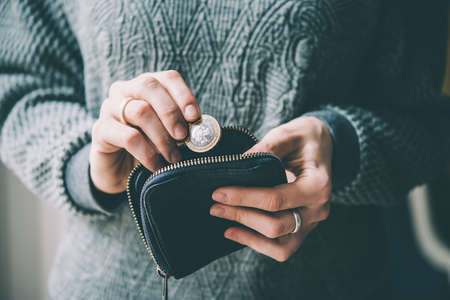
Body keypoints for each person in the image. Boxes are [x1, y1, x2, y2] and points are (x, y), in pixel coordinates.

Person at [1, 0, 449, 299]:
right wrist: (87, 167)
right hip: (106, 286)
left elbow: (430, 117)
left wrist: (342, 143)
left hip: (329, 284)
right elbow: (14, 81)